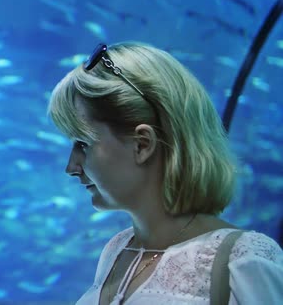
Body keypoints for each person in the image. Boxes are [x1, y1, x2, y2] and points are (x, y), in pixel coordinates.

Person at [47, 42, 283, 304]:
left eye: (83, 143)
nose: (71, 167)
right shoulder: (116, 251)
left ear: (143, 144)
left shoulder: (243, 262)